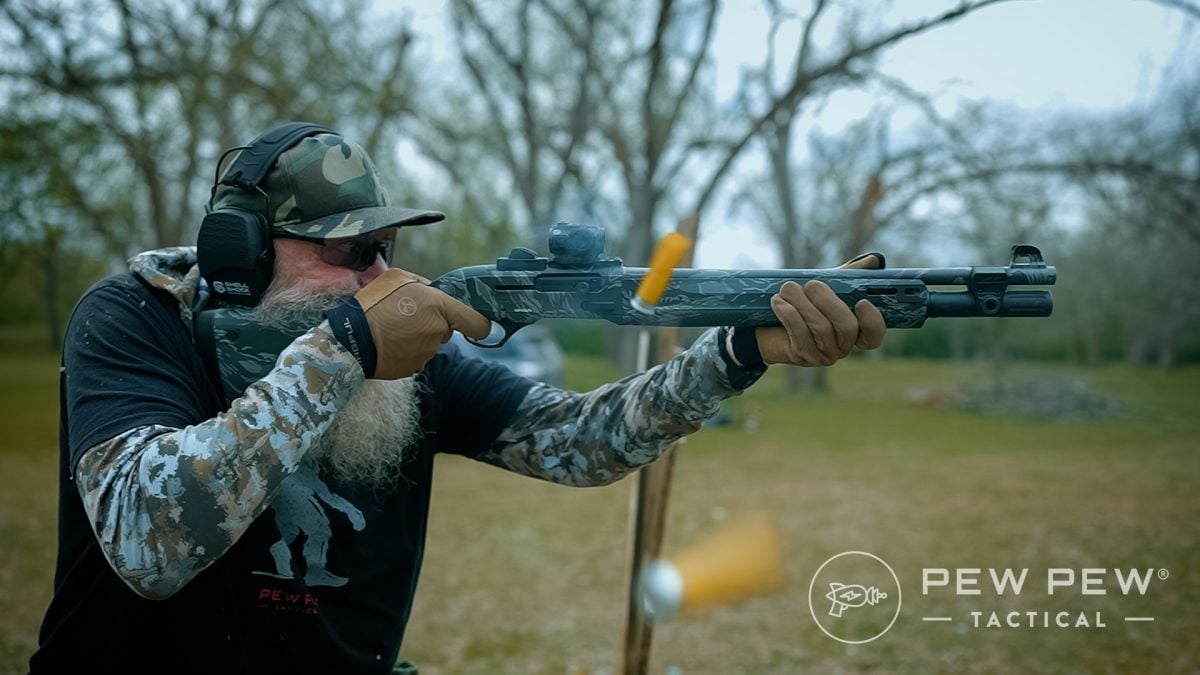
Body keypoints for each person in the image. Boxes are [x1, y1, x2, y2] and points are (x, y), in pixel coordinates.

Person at [30, 125, 885, 674]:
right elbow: (149, 537)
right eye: (349, 250)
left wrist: (735, 351)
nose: (377, 273)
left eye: (386, 247)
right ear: (241, 251)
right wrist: (346, 351)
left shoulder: (403, 355)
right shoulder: (135, 320)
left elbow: (580, 441)